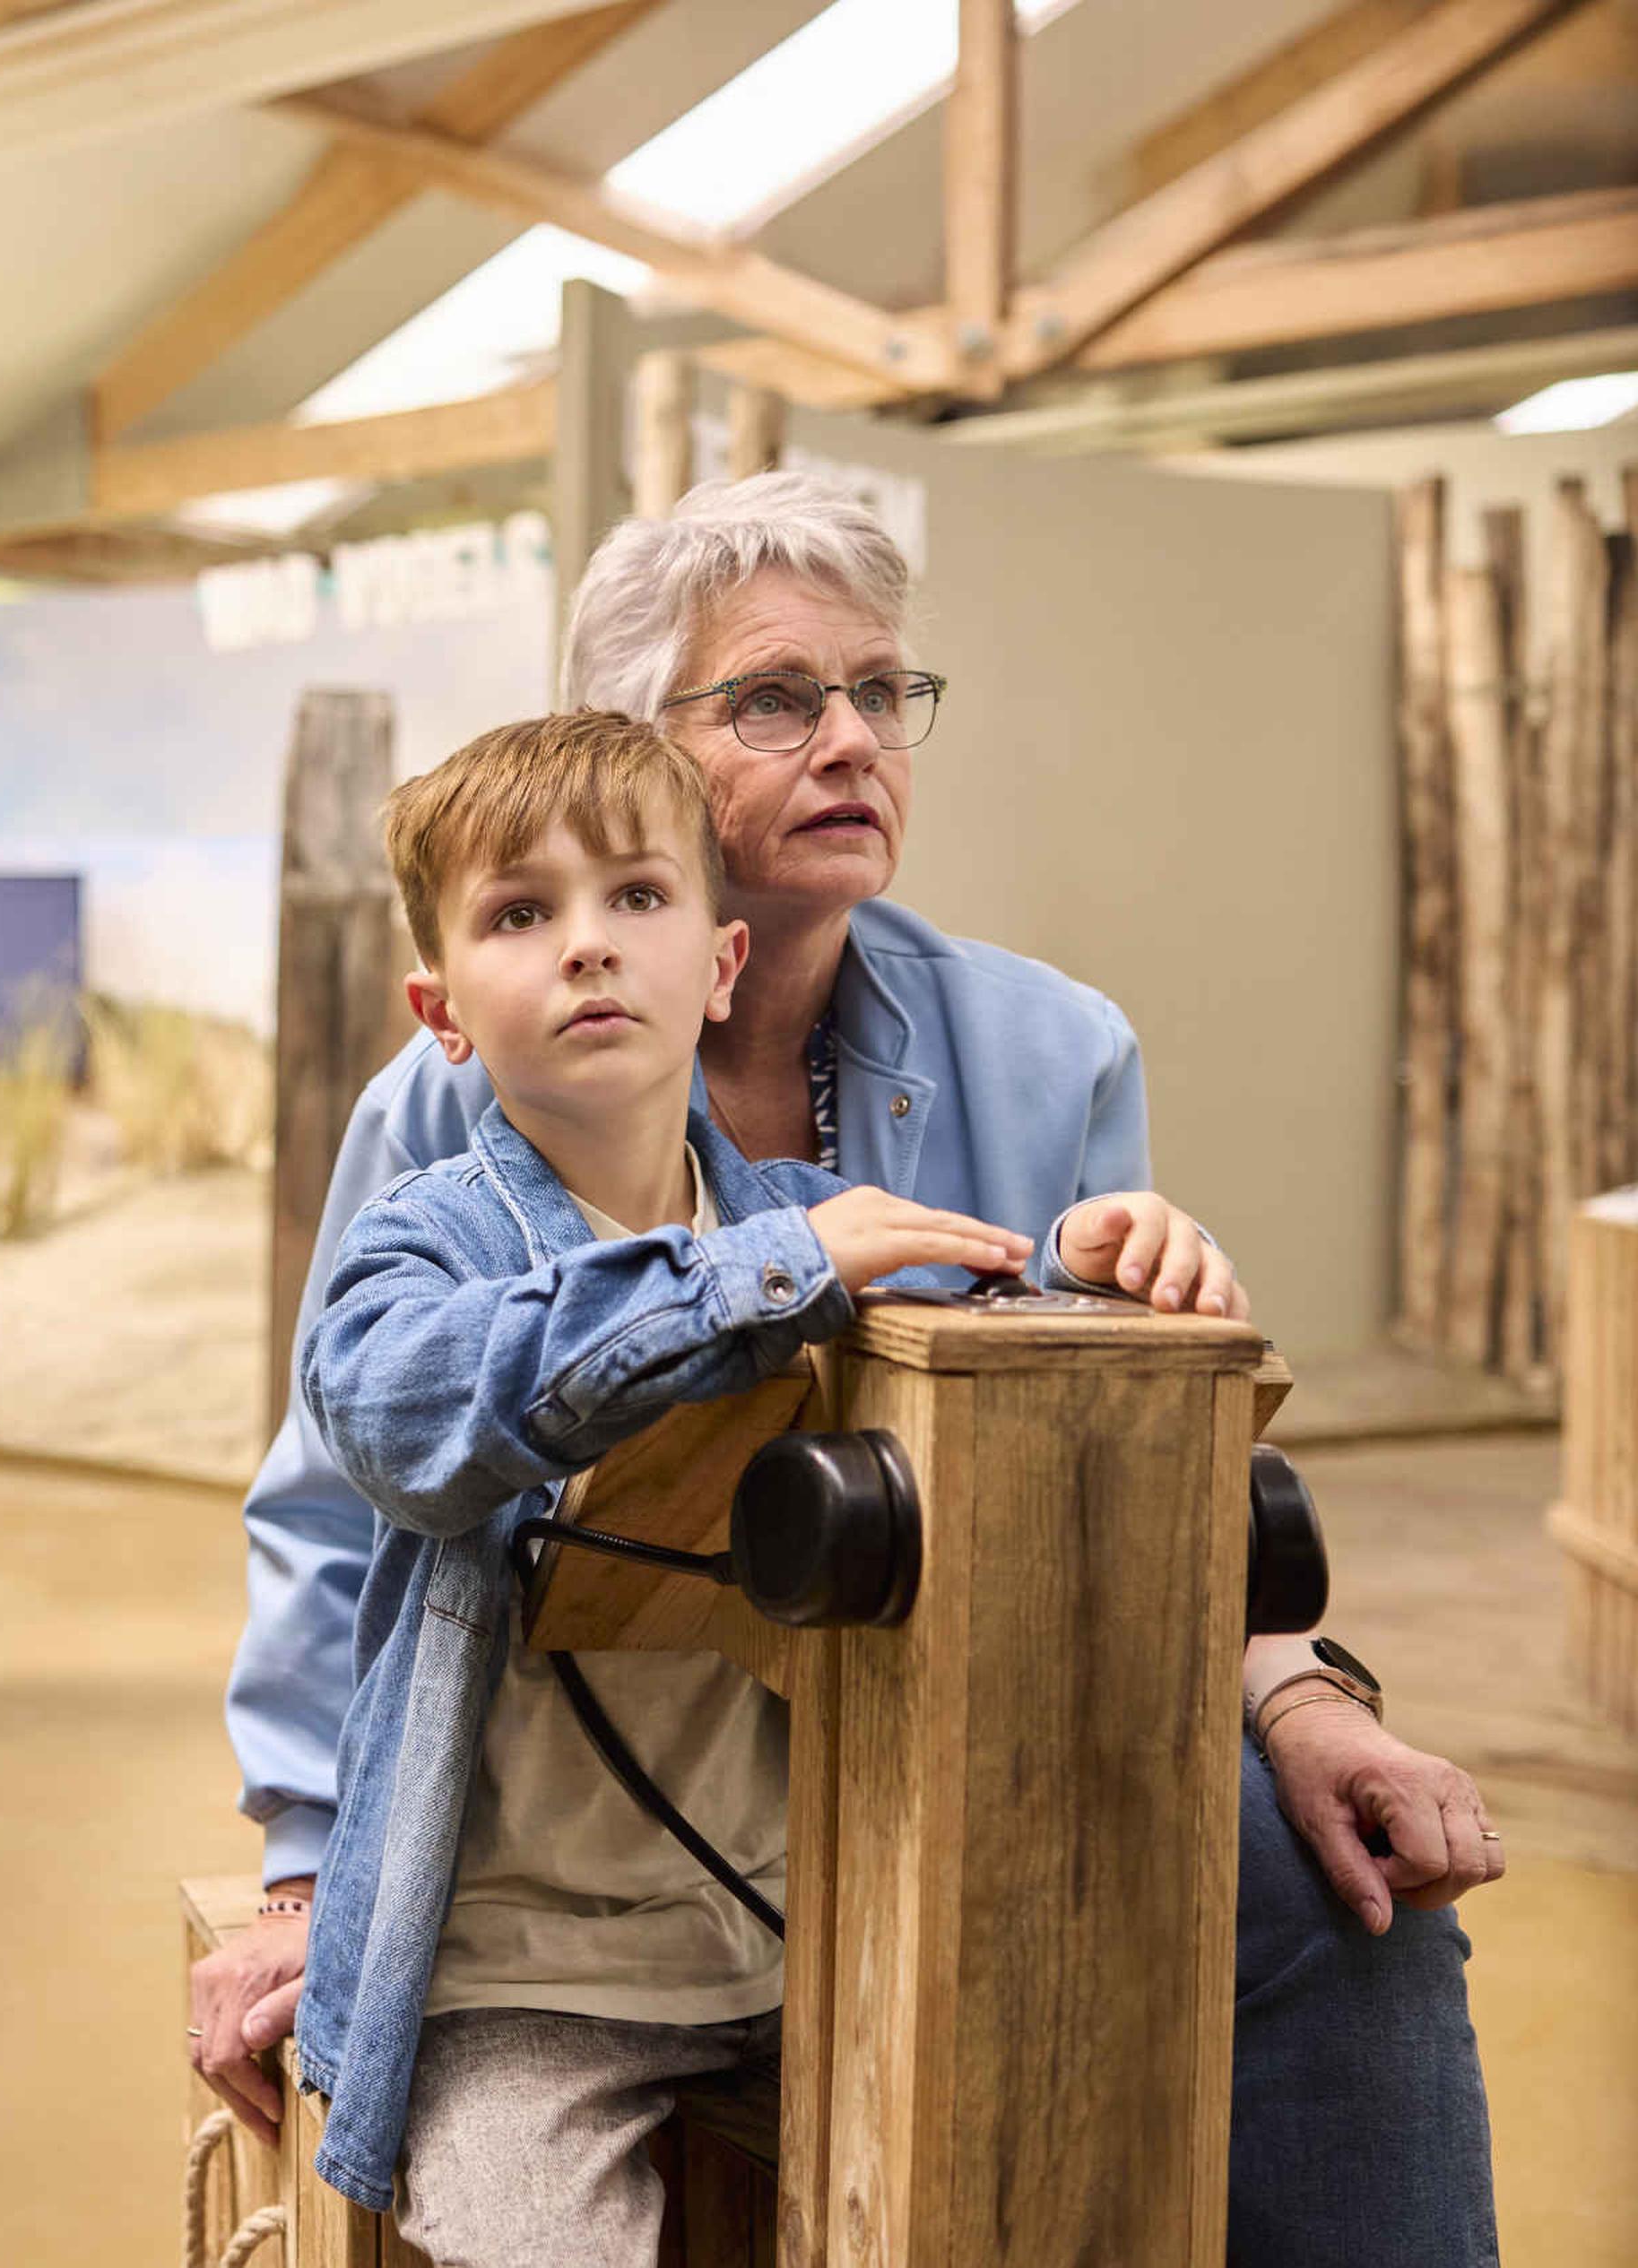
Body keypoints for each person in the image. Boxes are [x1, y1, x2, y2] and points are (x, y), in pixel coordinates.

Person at [194, 472, 1505, 2263]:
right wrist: (306, 1858)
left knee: (1344, 1902)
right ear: (627, 736)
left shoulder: (1053, 1047)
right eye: (776, 697)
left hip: (964, 1746)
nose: (850, 739)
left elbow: (1115, 1480)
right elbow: (347, 1476)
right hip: (591, 1840)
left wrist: (1287, 1666)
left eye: (883, 692)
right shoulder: (451, 1104)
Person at [293, 707, 1087, 2250]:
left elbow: (974, 1299)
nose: (587, 946)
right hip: (524, 1973)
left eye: (638, 897)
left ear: (723, 966)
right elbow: (395, 1409)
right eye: (521, 913)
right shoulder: (429, 1239)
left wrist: (1083, 1260)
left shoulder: (816, 1213)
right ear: (440, 1007)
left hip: (803, 1939)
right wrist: (756, 1277)